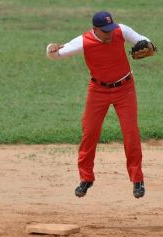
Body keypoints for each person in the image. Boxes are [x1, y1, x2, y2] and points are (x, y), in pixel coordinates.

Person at [46, 11, 157, 199]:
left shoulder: (120, 31)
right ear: (95, 29)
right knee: (89, 133)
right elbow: (56, 55)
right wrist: (50, 47)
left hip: (125, 89)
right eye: (105, 31)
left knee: (131, 133)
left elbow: (142, 39)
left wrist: (148, 44)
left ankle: (137, 180)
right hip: (98, 90)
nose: (109, 34)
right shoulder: (84, 41)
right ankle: (85, 178)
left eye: (110, 29)